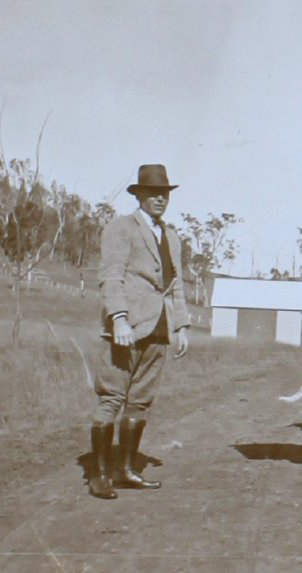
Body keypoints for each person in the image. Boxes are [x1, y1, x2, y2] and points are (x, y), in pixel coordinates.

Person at [87, 164, 191, 499]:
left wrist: (182, 325)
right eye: (153, 192)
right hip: (127, 329)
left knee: (140, 402)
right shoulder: (121, 228)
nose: (160, 199)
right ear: (139, 194)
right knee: (112, 398)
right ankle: (100, 475)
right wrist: (118, 318)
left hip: (159, 330)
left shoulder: (171, 236)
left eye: (165, 193)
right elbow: (111, 275)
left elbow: (175, 285)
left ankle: (126, 470)